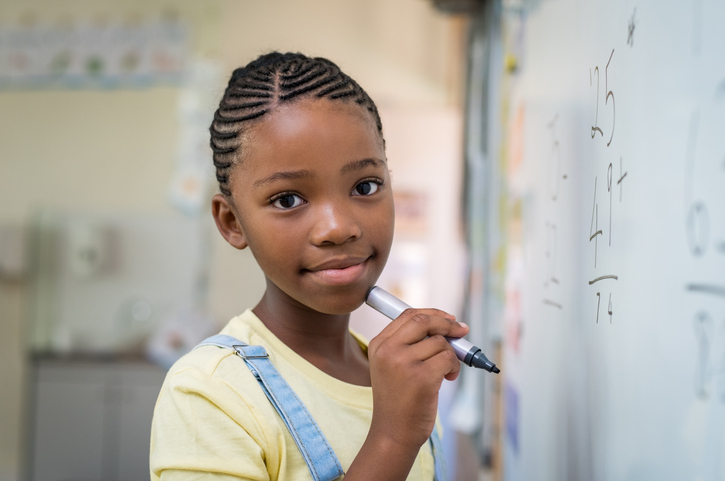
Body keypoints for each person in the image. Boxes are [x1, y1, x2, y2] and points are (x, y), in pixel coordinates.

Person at [149, 52, 468, 481]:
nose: (338, 228)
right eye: (288, 200)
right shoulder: (208, 393)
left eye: (365, 186)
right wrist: (392, 438)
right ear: (232, 222)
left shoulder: (399, 381)